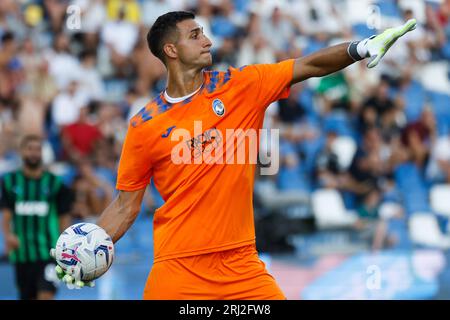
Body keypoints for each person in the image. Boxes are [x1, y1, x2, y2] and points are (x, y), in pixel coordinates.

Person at [51, 11, 417, 299]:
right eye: (195, 35)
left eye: (205, 32)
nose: (208, 40)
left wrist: (362, 47)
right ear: (171, 50)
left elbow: (306, 66)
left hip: (241, 267)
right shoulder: (143, 125)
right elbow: (124, 206)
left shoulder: (242, 86)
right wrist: (86, 249)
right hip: (178, 270)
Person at [0, 135, 73, 300]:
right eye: (30, 149)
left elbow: (64, 218)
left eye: (37, 149)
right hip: (22, 254)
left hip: (49, 253)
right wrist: (8, 236)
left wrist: (66, 249)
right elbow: (6, 213)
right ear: (22, 152)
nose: (34, 153)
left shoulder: (56, 184)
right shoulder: (10, 182)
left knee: (45, 295)